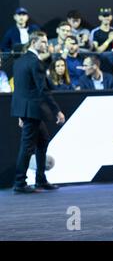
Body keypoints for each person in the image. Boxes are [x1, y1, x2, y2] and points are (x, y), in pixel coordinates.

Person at [10, 31, 65, 193]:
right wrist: (57, 111)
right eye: (43, 42)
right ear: (34, 42)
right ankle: (20, 183)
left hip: (26, 109)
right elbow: (43, 90)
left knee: (42, 141)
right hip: (32, 109)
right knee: (27, 146)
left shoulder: (19, 61)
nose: (45, 45)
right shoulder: (35, 62)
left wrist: (21, 113)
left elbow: (20, 88)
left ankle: (40, 179)